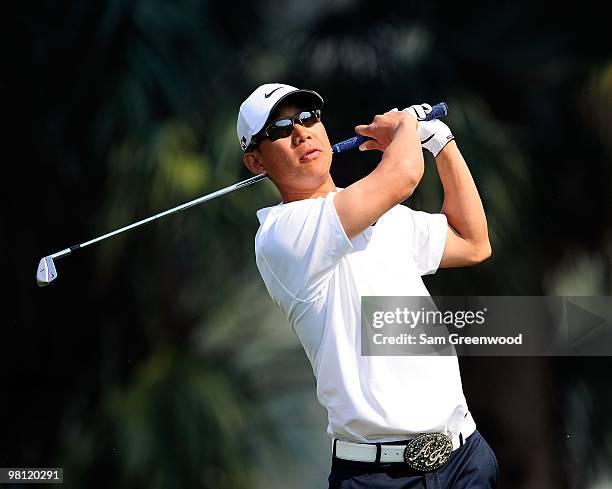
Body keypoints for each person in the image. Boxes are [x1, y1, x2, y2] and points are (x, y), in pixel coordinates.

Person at [237, 83, 498, 488]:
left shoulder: (384, 215)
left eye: (308, 118)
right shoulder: (281, 235)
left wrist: (441, 143)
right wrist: (406, 127)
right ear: (256, 162)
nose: (302, 132)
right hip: (380, 477)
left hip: (465, 458)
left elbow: (473, 243)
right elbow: (403, 175)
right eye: (280, 130)